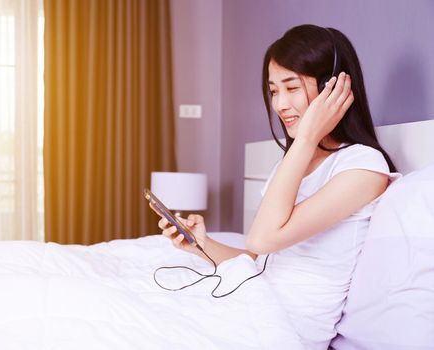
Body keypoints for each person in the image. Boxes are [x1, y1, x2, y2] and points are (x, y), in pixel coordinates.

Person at [151, 24, 399, 349]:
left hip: (288, 327)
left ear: (330, 88)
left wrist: (307, 136)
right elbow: (258, 256)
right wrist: (202, 243)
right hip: (256, 302)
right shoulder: (291, 164)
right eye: (273, 90)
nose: (279, 104)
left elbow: (261, 239)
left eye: (291, 87)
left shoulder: (363, 167)